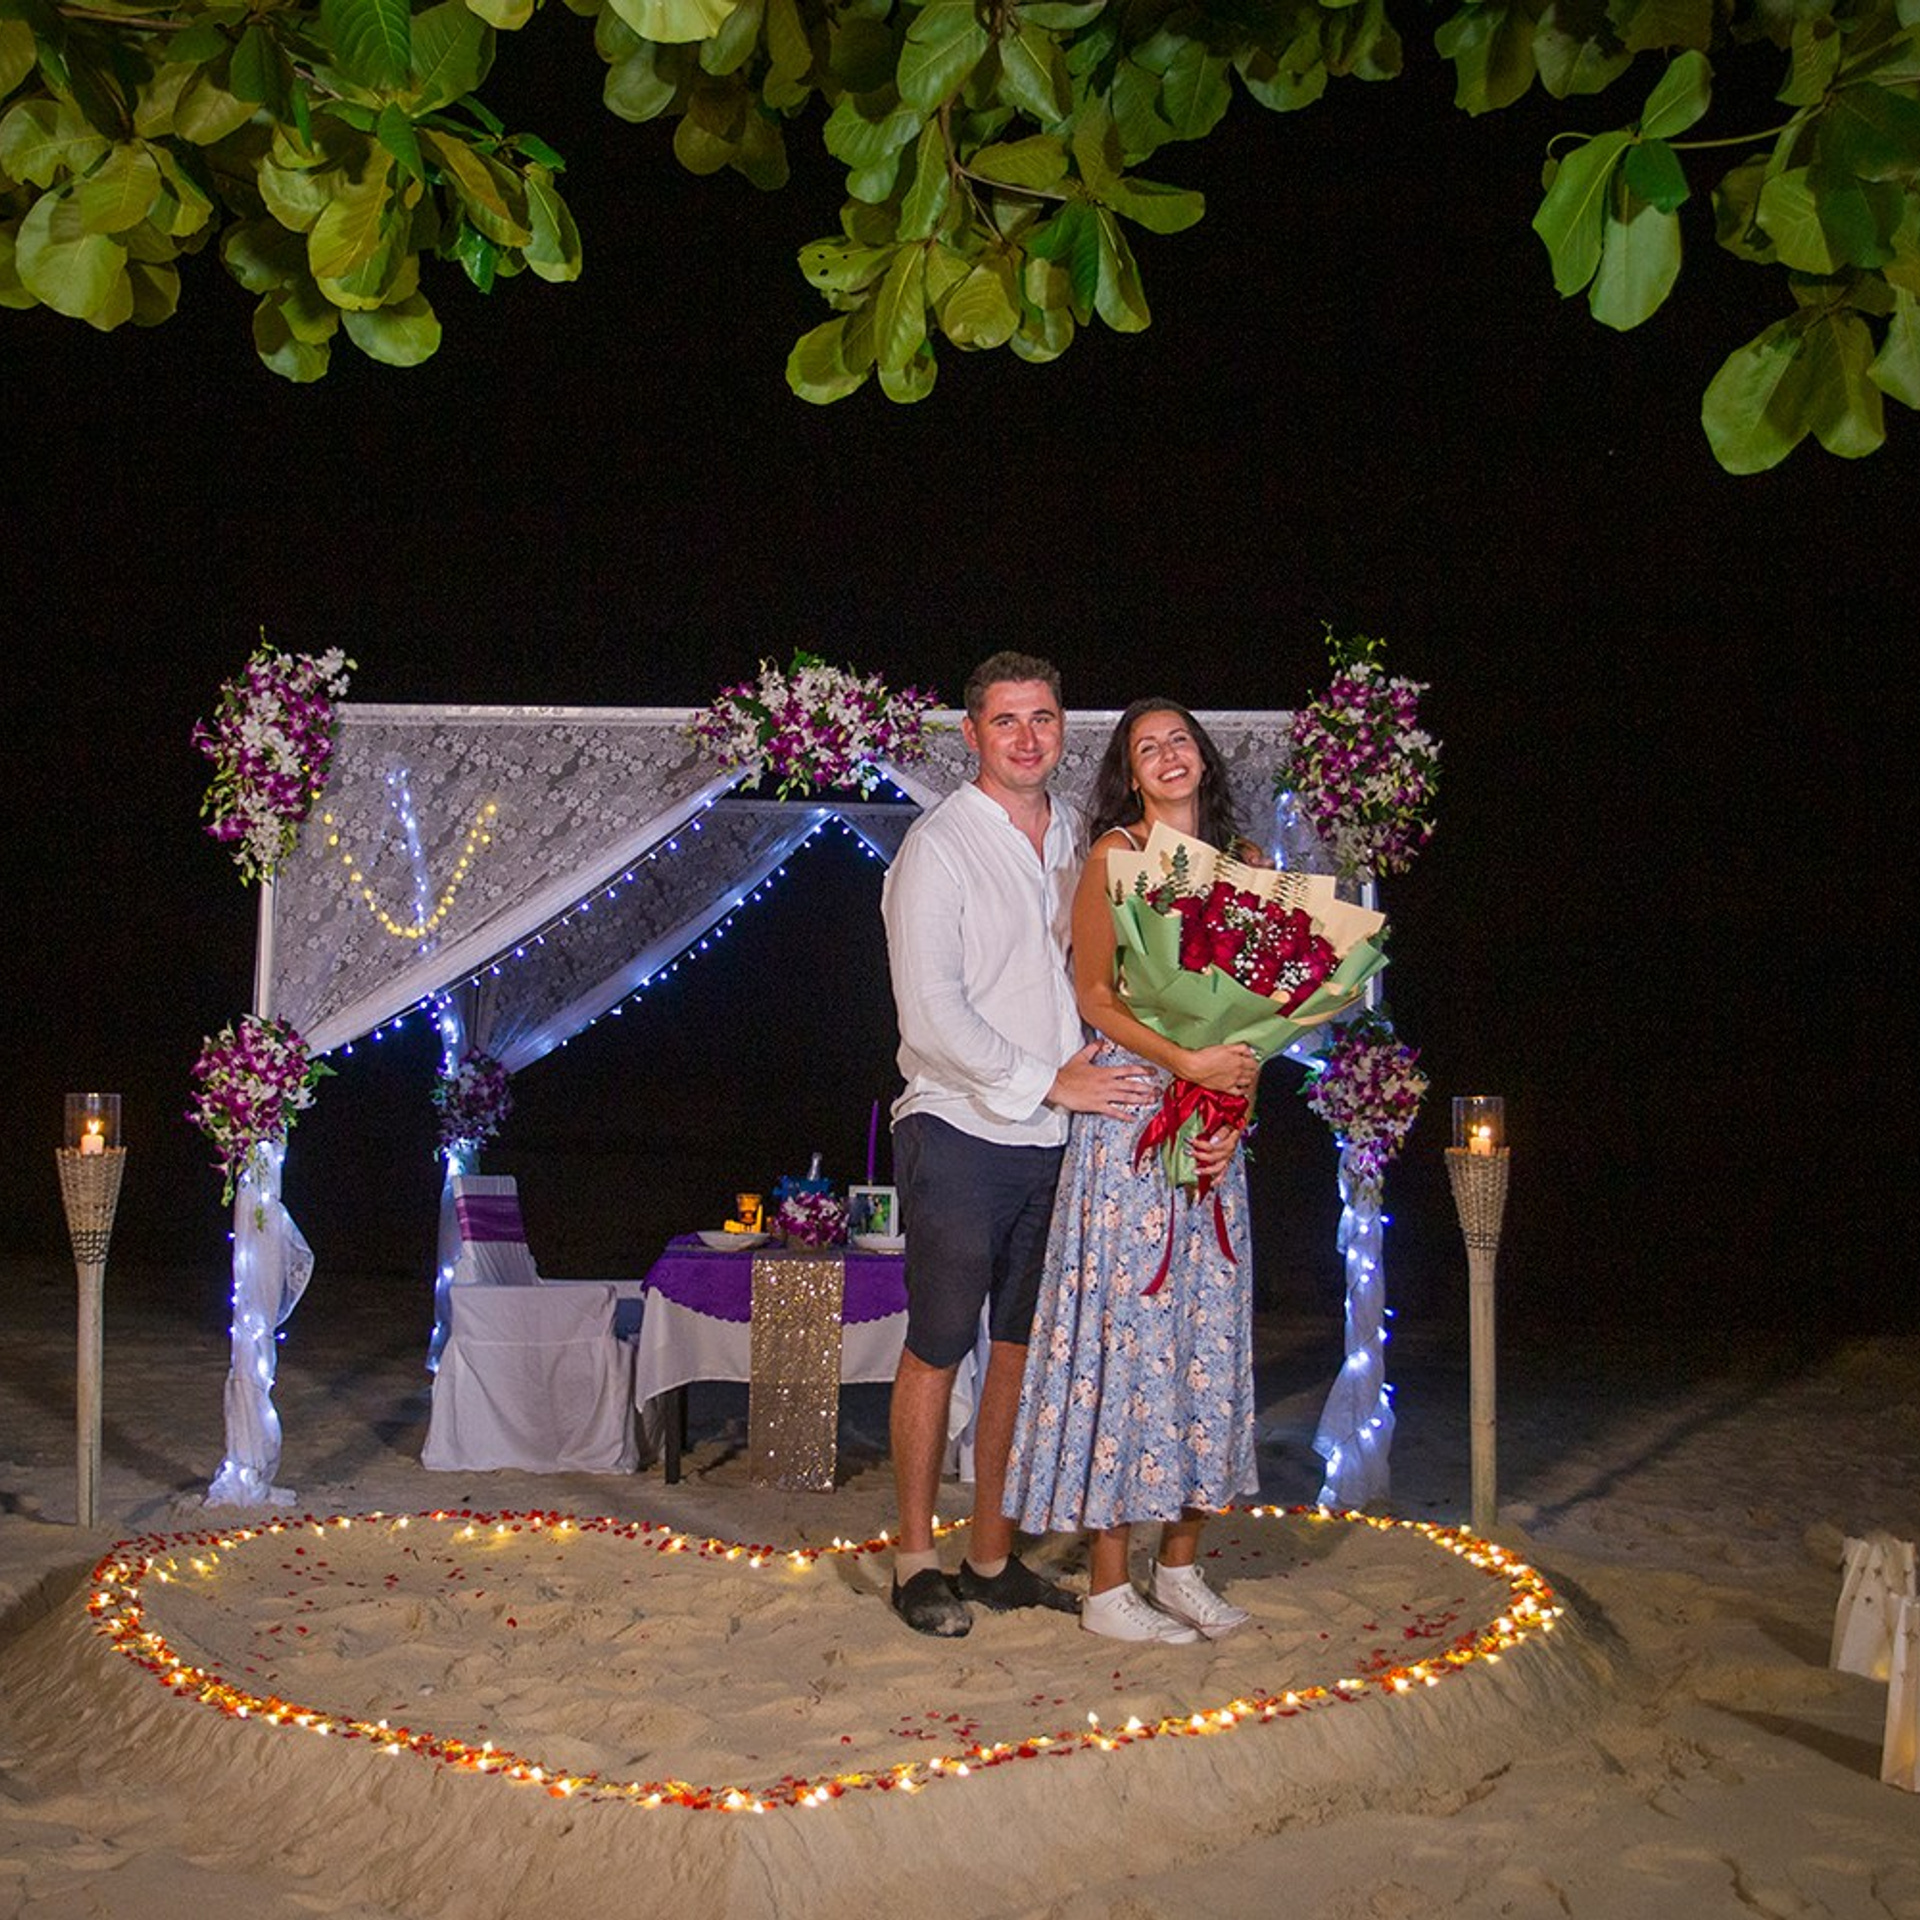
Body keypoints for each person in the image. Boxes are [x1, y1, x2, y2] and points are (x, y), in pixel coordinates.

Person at [880, 652, 1159, 1638]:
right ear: (973, 734)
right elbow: (934, 1015)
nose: (1028, 737)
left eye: (1044, 718)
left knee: (1019, 1355)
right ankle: (916, 1560)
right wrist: (1050, 1078)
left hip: (1062, 1140)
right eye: (1008, 721)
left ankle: (990, 1556)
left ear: (1061, 726)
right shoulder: (938, 848)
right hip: (961, 1129)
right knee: (939, 1345)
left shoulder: (1080, 837)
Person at [1002, 698, 1265, 1644]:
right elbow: (1095, 995)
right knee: (1127, 1339)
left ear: (1201, 759)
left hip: (1208, 1131)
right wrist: (1185, 1066)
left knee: (1205, 1338)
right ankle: (1110, 1586)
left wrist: (1233, 1106)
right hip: (1128, 1121)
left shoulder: (1249, 870)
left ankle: (1182, 1567)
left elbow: (1254, 1021)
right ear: (1128, 769)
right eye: (1146, 746)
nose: (1166, 755)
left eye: (1179, 741)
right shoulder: (1114, 857)